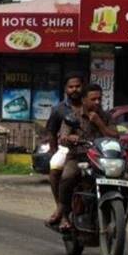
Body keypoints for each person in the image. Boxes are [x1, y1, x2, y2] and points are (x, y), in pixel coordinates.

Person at [56, 83, 119, 231]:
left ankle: (119, 213)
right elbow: (63, 136)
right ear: (84, 100)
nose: (97, 102)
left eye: (99, 99)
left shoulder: (106, 116)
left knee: (126, 178)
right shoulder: (73, 116)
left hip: (102, 160)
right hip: (79, 157)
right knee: (67, 177)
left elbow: (116, 136)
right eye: (93, 99)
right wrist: (69, 138)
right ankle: (64, 215)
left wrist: (99, 123)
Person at [44, 73, 85, 226]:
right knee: (55, 168)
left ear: (83, 87)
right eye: (71, 87)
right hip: (66, 149)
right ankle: (61, 209)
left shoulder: (90, 106)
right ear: (66, 89)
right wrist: (53, 150)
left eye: (77, 86)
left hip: (89, 149)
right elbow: (51, 132)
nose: (74, 89)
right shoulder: (59, 109)